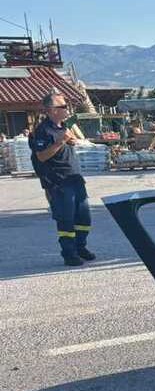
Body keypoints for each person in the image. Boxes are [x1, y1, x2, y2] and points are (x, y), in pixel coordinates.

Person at [30, 90, 94, 267]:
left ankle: (80, 247)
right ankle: (69, 254)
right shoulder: (42, 130)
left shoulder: (64, 126)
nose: (67, 109)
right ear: (52, 110)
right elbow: (41, 156)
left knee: (84, 218)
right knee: (66, 220)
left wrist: (69, 141)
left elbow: (65, 143)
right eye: (63, 106)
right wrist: (60, 142)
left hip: (75, 179)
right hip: (59, 182)